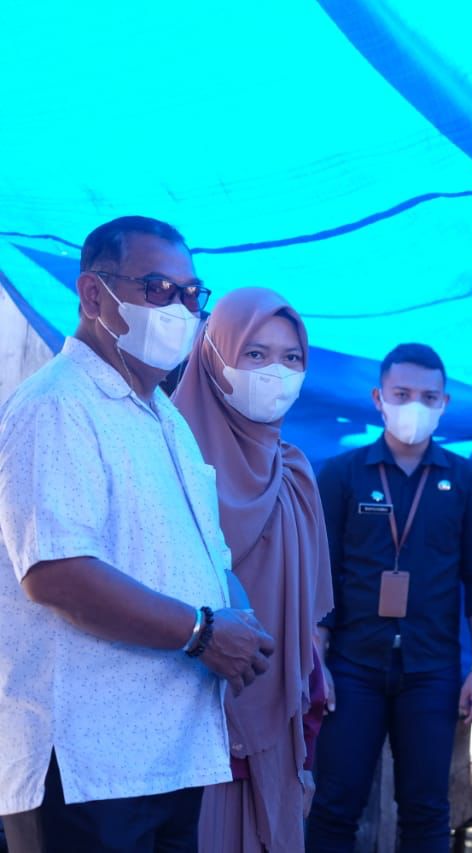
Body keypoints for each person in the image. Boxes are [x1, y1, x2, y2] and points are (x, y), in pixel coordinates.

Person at [0, 216, 274, 851]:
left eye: (190, 294)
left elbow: (200, 556)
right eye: (157, 288)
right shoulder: (58, 404)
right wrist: (205, 631)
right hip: (86, 768)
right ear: (94, 296)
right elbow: (57, 574)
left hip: (163, 755)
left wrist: (240, 619)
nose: (179, 308)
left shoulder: (164, 420)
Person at [307, 343, 472, 853]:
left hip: (432, 673)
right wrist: (316, 660)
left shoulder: (468, 482)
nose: (415, 405)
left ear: (445, 402)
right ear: (378, 397)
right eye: (402, 393)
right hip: (352, 668)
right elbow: (321, 575)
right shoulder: (342, 474)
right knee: (334, 805)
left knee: (426, 811)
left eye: (428, 396)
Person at [171, 287, 334, 852]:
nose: (277, 374)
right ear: (214, 357)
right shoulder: (168, 456)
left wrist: (312, 668)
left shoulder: (294, 474)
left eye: (292, 359)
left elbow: (309, 608)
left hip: (275, 721)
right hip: (179, 720)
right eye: (256, 354)